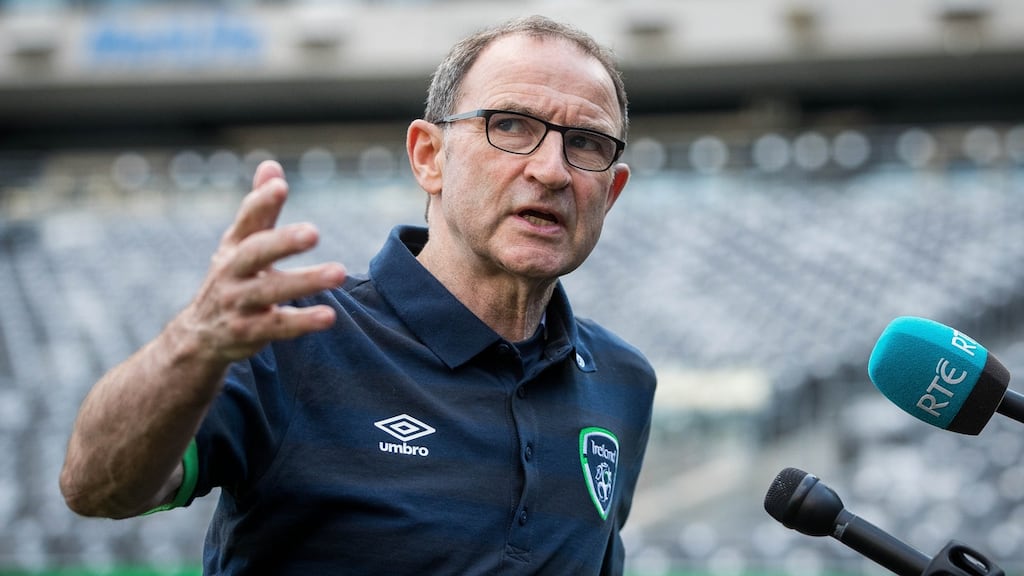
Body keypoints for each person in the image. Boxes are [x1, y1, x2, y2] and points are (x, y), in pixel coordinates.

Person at [60, 14, 657, 575]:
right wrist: (190, 344)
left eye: (586, 144)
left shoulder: (624, 381)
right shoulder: (293, 334)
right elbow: (95, 487)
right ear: (430, 157)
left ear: (611, 192)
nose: (552, 170)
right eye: (510, 126)